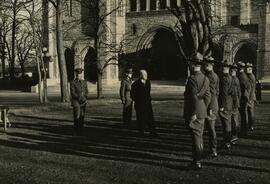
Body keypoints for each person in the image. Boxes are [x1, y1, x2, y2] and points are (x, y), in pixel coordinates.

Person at [184, 53, 210, 169]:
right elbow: (208, 96)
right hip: (202, 111)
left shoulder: (192, 79)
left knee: (196, 137)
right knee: (199, 136)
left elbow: (193, 97)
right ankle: (199, 158)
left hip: (194, 112)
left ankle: (197, 161)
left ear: (194, 65)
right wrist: (203, 107)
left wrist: (193, 113)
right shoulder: (205, 78)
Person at [131, 70, 156, 136]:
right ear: (140, 75)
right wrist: (137, 100)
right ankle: (141, 132)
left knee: (150, 118)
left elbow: (148, 92)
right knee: (140, 119)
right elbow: (132, 94)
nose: (146, 76)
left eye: (146, 74)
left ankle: (152, 132)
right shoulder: (135, 84)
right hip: (139, 104)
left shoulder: (148, 82)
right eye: (144, 74)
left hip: (147, 104)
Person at [204, 56, 219, 158]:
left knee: (211, 128)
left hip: (211, 105)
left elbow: (212, 93)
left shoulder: (211, 76)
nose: (205, 66)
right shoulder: (212, 75)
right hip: (212, 104)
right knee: (209, 128)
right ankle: (212, 149)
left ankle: (213, 150)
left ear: (211, 65)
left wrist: (209, 107)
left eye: (207, 64)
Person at [219, 60, 233, 150]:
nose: (222, 69)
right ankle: (228, 140)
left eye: (223, 67)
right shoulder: (231, 78)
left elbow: (224, 93)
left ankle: (227, 142)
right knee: (228, 123)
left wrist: (222, 106)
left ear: (226, 68)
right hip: (229, 103)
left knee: (226, 124)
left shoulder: (224, 79)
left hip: (225, 104)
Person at [70, 68, 89, 136]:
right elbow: (73, 93)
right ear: (76, 75)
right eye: (77, 75)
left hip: (83, 101)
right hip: (76, 102)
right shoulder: (73, 82)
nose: (79, 76)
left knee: (82, 116)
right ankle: (76, 130)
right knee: (77, 116)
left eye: (80, 74)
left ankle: (81, 130)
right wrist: (80, 98)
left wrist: (85, 97)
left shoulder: (84, 82)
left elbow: (86, 91)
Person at [237, 61, 250, 137]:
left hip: (242, 98)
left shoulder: (241, 76)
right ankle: (244, 130)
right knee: (244, 115)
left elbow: (243, 88)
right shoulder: (243, 75)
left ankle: (244, 131)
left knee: (243, 115)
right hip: (244, 98)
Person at [230, 64, 241, 144]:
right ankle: (235, 134)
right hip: (236, 101)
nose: (231, 72)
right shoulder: (236, 79)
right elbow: (239, 92)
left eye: (231, 71)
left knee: (234, 119)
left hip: (233, 102)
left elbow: (234, 92)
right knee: (235, 118)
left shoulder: (233, 79)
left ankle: (234, 135)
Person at [246, 63, 256, 131]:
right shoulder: (251, 76)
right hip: (251, 96)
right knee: (250, 111)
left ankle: (251, 125)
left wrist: (249, 98)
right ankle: (251, 125)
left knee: (250, 111)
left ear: (250, 69)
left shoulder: (250, 76)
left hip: (250, 97)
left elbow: (250, 89)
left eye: (247, 68)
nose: (245, 70)